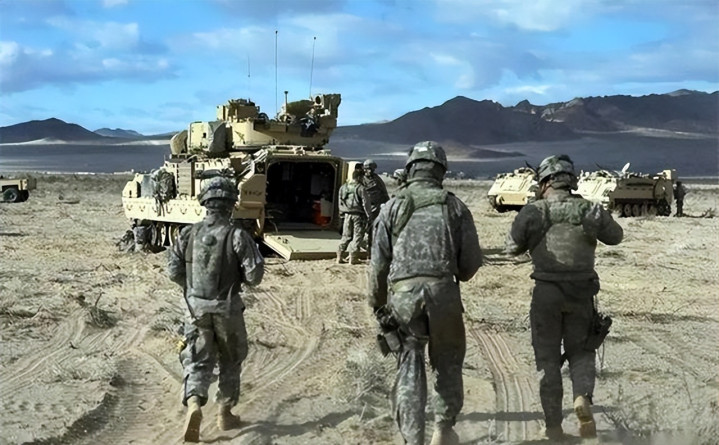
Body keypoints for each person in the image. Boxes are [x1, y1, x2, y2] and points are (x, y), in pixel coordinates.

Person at [368, 141, 483, 445]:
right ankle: (443, 430)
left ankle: (412, 438)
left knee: (409, 364)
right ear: (441, 171)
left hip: (403, 297)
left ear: (410, 170)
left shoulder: (392, 207)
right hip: (444, 294)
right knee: (448, 363)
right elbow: (471, 264)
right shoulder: (455, 207)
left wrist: (378, 306)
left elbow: (378, 265)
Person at [504, 154, 623, 440]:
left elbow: (511, 248)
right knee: (582, 353)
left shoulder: (533, 211)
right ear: (571, 180)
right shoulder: (590, 209)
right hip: (582, 293)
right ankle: (582, 397)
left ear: (545, 181)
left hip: (546, 293)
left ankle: (554, 428)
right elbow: (616, 236)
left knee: (546, 360)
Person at [167, 176, 265, 442]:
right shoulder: (237, 236)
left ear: (205, 203)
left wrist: (193, 290)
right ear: (231, 204)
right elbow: (254, 276)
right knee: (231, 360)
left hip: (195, 310)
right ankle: (225, 412)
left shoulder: (187, 233)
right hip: (228, 309)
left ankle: (195, 404)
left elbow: (173, 271)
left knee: (196, 359)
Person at [337, 168, 370, 264]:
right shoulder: (361, 188)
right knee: (357, 237)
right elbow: (366, 203)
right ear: (359, 177)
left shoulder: (344, 187)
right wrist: (369, 215)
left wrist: (341, 213)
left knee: (346, 236)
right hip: (358, 216)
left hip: (347, 214)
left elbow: (340, 201)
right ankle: (353, 258)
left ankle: (339, 256)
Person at [362, 159, 390, 251]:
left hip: (375, 208)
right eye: (367, 169)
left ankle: (370, 248)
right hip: (363, 208)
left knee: (374, 229)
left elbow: (384, 193)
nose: (369, 171)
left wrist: (387, 205)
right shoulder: (361, 180)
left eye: (371, 169)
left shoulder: (377, 180)